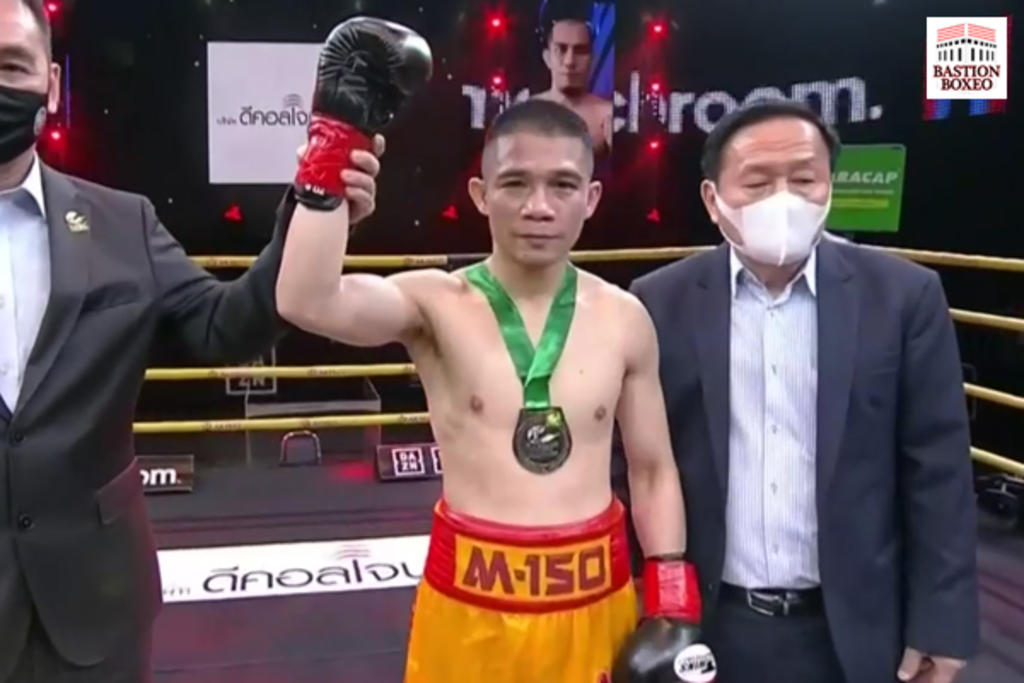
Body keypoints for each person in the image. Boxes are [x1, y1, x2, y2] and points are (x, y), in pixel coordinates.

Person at [278, 53, 711, 678]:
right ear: (481, 195)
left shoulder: (625, 318)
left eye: (563, 185)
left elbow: (652, 469)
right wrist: (328, 165)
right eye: (515, 184)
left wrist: (671, 601)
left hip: (595, 599)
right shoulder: (435, 303)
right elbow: (306, 301)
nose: (539, 206)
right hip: (471, 610)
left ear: (590, 199)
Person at [0, 2, 383, 681]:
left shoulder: (122, 223)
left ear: (52, 85)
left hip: (94, 608)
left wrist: (318, 201)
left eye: (10, 67)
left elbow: (224, 326)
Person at [625, 98, 979, 683]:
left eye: (804, 179)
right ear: (713, 199)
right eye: (757, 183)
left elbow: (937, 470)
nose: (783, 199)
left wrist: (942, 624)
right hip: (707, 624)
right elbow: (633, 463)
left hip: (857, 629)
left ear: (830, 187)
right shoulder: (658, 302)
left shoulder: (903, 297)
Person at [533, 0, 612, 158]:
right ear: (547, 57)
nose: (569, 61)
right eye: (561, 49)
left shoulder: (607, 116)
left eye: (580, 50)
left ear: (592, 59)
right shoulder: (525, 113)